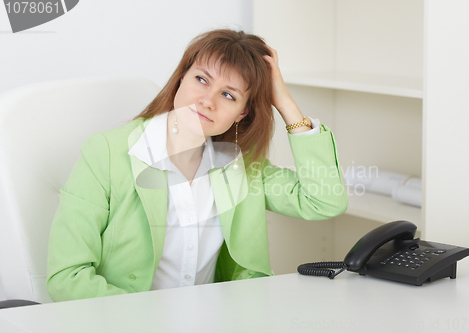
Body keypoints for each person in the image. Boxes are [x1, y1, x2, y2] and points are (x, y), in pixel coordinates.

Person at [46, 29, 348, 301]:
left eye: (229, 95)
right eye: (201, 79)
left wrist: (283, 102)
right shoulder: (108, 152)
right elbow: (67, 278)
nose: (207, 101)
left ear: (242, 113)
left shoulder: (242, 166)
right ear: (181, 78)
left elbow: (324, 201)